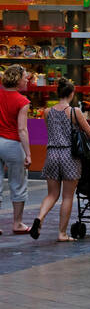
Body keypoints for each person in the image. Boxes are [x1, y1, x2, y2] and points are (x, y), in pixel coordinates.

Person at [29, 77, 90, 244]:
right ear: (72, 94)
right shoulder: (74, 112)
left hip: (51, 154)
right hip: (69, 156)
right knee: (67, 197)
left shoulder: (47, 112)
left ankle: (39, 218)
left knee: (52, 194)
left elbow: (51, 131)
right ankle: (62, 233)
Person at [0, 64, 33, 234]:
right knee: (18, 183)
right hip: (12, 143)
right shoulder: (22, 101)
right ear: (18, 80)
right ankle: (17, 223)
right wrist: (28, 154)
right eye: (25, 77)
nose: (27, 79)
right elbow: (22, 129)